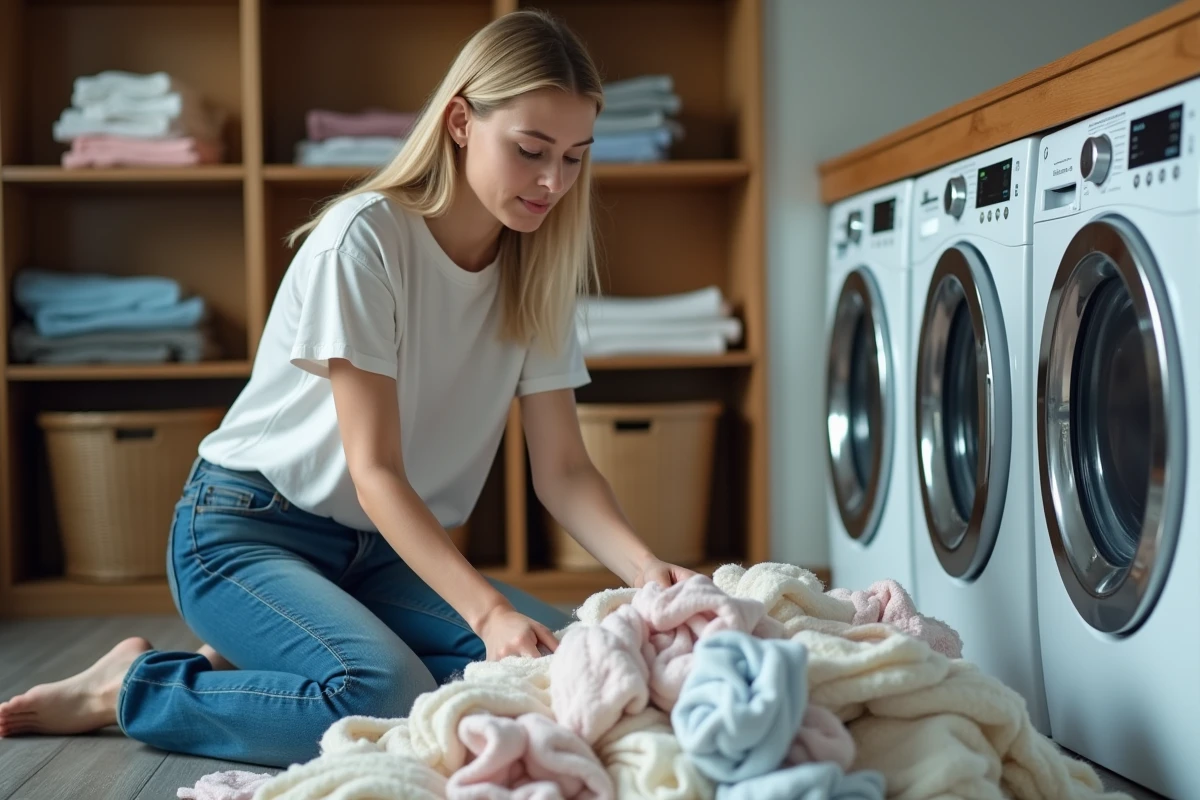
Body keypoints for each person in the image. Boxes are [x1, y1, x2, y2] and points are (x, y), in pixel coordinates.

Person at [0, 9, 698, 767]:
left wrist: (648, 572)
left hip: (379, 553)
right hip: (248, 529)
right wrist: (487, 611)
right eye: (530, 150)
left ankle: (259, 655)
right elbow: (375, 472)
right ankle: (132, 687)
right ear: (460, 121)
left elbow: (563, 469)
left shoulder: (539, 268)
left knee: (558, 663)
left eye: (574, 158)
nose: (552, 182)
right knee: (383, 692)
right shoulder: (364, 238)